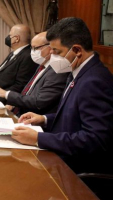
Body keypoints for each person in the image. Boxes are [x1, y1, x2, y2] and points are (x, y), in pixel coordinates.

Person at [15, 17, 113, 174]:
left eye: (57, 51)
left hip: (75, 167)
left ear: (77, 50)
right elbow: (73, 116)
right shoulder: (77, 70)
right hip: (60, 154)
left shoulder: (94, 80)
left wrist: (38, 139)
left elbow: (95, 139)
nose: (52, 55)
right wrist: (45, 119)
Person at [0, 32, 69, 116]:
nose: (32, 52)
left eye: (36, 48)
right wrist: (14, 105)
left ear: (50, 48)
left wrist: (7, 94)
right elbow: (28, 92)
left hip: (33, 119)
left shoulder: (56, 71)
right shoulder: (41, 66)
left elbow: (39, 102)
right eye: (32, 48)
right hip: (20, 112)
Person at [0, 24, 37, 94]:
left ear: (16, 39)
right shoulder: (14, 52)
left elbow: (20, 85)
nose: (8, 38)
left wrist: (0, 95)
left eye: (10, 35)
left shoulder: (27, 56)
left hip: (2, 99)